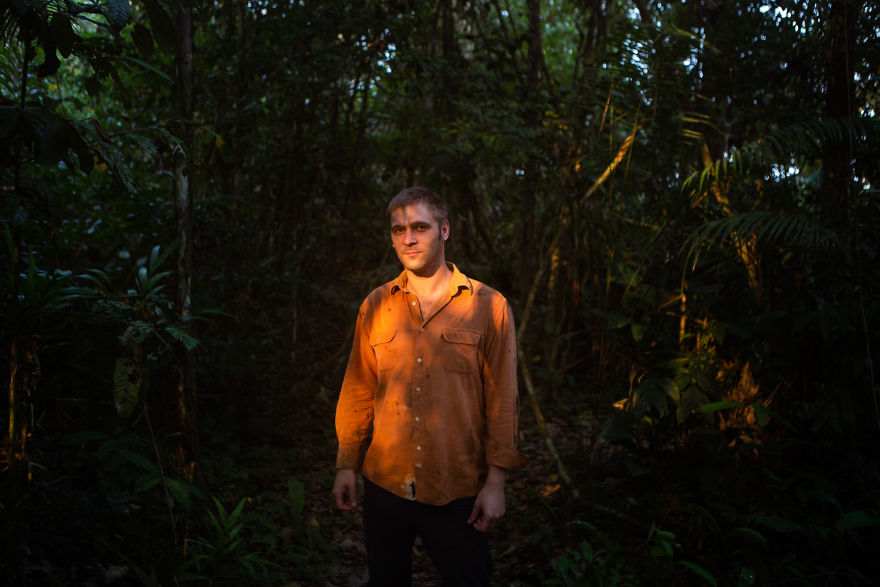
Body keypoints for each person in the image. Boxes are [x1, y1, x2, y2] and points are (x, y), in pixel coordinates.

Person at [332, 186, 527, 586]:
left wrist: (496, 483)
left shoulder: (488, 306)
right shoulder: (376, 305)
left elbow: (503, 401)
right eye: (398, 230)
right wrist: (346, 464)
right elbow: (358, 389)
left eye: (420, 227)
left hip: (456, 487)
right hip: (385, 485)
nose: (408, 239)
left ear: (445, 230)